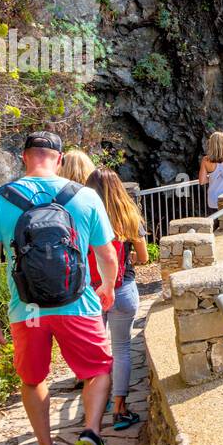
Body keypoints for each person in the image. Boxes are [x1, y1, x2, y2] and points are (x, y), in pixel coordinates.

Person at [0, 131, 118, 445]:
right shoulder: (84, 197)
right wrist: (108, 287)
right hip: (78, 305)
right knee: (97, 371)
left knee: (33, 378)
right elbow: (107, 253)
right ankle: (91, 432)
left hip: (28, 311)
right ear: (60, 158)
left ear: (24, 158)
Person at [87, 167, 148, 431]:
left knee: (96, 352)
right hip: (123, 289)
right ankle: (120, 408)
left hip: (90, 292)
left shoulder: (82, 216)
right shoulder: (128, 215)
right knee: (122, 349)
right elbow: (145, 257)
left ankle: (97, 409)